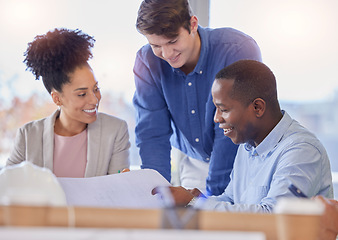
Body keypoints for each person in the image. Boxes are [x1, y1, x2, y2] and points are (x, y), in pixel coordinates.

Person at [153, 60, 333, 213]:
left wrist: (194, 204)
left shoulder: (302, 150)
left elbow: (274, 216)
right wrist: (198, 198)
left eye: (223, 109)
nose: (216, 118)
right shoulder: (247, 146)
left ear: (257, 107)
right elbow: (231, 200)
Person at [133, 0, 262, 195]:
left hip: (245, 160)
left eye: (173, 41)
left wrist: (213, 199)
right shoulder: (147, 62)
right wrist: (154, 194)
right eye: (156, 45)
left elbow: (230, 128)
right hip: (195, 164)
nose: (167, 54)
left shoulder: (236, 49)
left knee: (233, 219)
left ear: (193, 25)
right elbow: (152, 134)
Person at [7, 28, 130, 177]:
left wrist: (124, 181)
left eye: (96, 88)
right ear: (57, 98)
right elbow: (7, 185)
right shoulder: (28, 135)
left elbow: (115, 187)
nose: (94, 99)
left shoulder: (115, 130)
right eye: (82, 94)